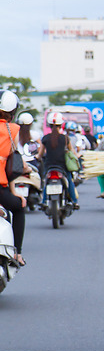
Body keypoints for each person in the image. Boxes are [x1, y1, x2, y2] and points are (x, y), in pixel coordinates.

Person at [0, 90, 30, 266]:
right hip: (1, 189)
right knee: (19, 207)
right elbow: (13, 167)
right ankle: (17, 253)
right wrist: (15, 193)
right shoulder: (13, 130)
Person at [36, 112, 79, 210]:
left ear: (49, 125)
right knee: (69, 181)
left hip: (49, 166)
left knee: (46, 181)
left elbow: (41, 154)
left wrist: (38, 157)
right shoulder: (65, 138)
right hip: (62, 167)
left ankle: (43, 201)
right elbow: (72, 152)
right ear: (61, 125)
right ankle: (74, 201)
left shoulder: (45, 138)